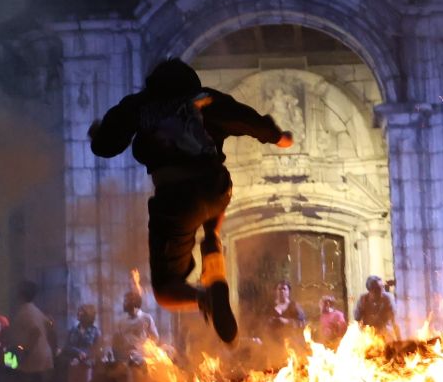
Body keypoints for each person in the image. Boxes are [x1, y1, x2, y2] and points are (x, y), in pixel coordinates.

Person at [88, 57, 292, 342]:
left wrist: (97, 134)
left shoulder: (139, 106)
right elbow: (247, 119)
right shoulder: (206, 98)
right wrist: (279, 136)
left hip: (176, 200)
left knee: (166, 289)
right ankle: (212, 246)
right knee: (212, 207)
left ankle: (206, 296)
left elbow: (105, 146)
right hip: (216, 188)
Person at [6, 280, 54, 382]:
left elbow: (35, 332)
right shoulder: (35, 310)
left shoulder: (25, 312)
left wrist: (24, 352)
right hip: (42, 354)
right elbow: (49, 326)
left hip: (32, 356)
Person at [353, 275, 397, 339]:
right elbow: (357, 317)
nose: (382, 291)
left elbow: (393, 319)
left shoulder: (388, 299)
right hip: (369, 335)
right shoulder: (363, 299)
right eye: (378, 289)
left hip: (386, 334)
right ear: (370, 290)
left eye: (382, 287)